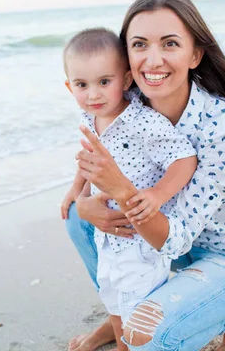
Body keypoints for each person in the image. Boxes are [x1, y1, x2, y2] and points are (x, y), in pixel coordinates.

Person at [66, 0, 225, 351]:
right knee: (78, 218)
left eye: (170, 44)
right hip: (160, 240)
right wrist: (83, 203)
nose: (153, 60)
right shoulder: (123, 100)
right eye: (139, 45)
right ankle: (119, 309)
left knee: (144, 339)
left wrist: (122, 191)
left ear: (195, 54)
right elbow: (95, 155)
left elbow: (177, 236)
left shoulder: (223, 125)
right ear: (125, 57)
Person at [61, 27, 197, 351]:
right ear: (70, 87)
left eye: (104, 82)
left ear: (126, 79)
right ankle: (122, 342)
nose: (93, 94)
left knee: (137, 303)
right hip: (109, 237)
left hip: (140, 239)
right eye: (82, 85)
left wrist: (157, 194)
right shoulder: (89, 117)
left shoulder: (142, 121)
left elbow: (184, 158)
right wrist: (75, 189)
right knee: (113, 296)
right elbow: (89, 159)